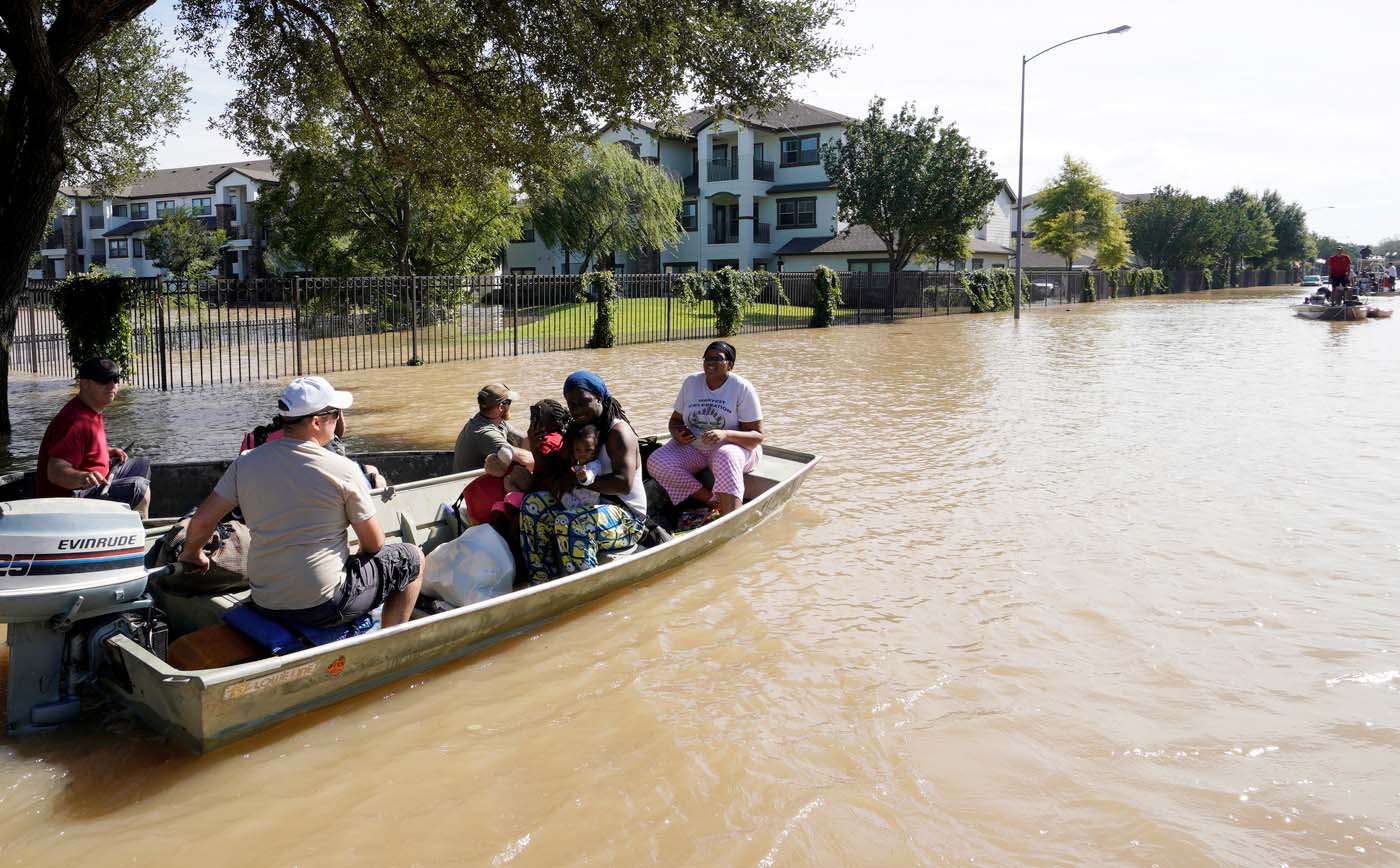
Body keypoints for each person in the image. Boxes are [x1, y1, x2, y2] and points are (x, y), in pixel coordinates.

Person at [178, 376, 423, 629]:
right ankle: (389, 642)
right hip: (323, 606)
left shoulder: (246, 462)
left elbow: (203, 520)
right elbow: (374, 543)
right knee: (412, 558)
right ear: (317, 421)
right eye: (336, 414)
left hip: (265, 599)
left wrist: (193, 553)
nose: (339, 420)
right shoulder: (344, 469)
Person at [518, 371, 646, 584]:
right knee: (533, 505)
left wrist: (577, 479)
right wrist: (535, 445)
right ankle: (541, 581)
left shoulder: (618, 433)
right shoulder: (577, 431)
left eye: (583, 402)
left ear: (599, 398)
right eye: (572, 404)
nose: (576, 409)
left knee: (570, 523)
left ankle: (584, 586)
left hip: (627, 517)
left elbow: (623, 484)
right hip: (586, 505)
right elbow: (550, 475)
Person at [647, 341, 764, 518]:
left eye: (717, 359)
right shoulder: (692, 382)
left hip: (737, 448)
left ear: (730, 365)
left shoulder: (741, 387)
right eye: (707, 358)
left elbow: (756, 437)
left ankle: (732, 516)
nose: (710, 362)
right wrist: (678, 434)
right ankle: (711, 500)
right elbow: (675, 421)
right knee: (657, 462)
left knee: (726, 455)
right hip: (697, 447)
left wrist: (725, 434)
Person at [35, 357, 151, 517]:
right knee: (140, 489)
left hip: (98, 484)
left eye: (115, 379)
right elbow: (55, 471)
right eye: (103, 380)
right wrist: (82, 477)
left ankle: (122, 523)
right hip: (69, 500)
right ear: (84, 384)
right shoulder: (75, 421)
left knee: (140, 464)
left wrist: (105, 451)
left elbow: (82, 447)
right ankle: (137, 537)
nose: (112, 386)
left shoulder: (91, 410)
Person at [453, 382, 535, 473]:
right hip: (468, 483)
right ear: (501, 407)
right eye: (509, 402)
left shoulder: (496, 421)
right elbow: (527, 460)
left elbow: (524, 440)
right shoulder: (484, 433)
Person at [561, 422, 605, 511]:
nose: (582, 454)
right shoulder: (579, 464)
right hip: (577, 501)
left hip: (586, 506)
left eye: (587, 450)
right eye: (578, 450)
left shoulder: (594, 465)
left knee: (559, 491)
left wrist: (584, 477)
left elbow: (590, 476)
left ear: (596, 451)